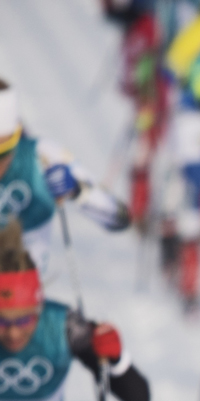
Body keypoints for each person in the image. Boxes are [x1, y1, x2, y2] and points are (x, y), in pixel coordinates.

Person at [0, 221, 150, 401]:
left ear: (39, 308)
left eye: (24, 320)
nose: (13, 332)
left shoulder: (65, 327)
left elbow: (140, 399)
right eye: (2, 320)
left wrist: (117, 360)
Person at [0, 81, 132, 273]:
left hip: (24, 293)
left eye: (4, 150)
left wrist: (76, 191)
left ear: (16, 135)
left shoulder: (42, 155)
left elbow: (119, 218)